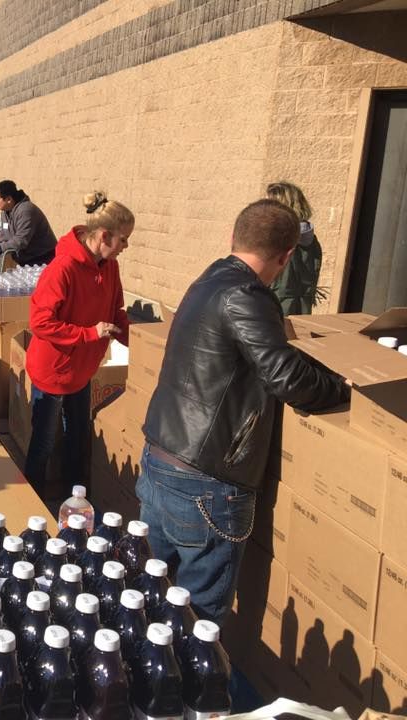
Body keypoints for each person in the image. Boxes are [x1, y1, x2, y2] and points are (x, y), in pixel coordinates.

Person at [139, 199, 349, 626]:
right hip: (205, 479)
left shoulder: (207, 281)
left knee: (146, 600)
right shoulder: (247, 294)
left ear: (232, 239)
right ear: (286, 257)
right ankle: (186, 693)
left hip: (163, 457)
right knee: (196, 624)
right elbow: (287, 378)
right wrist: (344, 391)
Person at [24, 192, 132, 499]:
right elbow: (40, 322)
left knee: (78, 440)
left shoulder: (109, 267)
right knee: (44, 444)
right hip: (54, 371)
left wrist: (140, 344)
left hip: (82, 370)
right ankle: (32, 500)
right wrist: (89, 333)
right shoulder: (63, 268)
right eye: (123, 240)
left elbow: (116, 312)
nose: (126, 246)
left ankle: (75, 502)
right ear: (104, 236)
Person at [266, 181, 322, 315]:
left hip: (275, 311)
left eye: (268, 204)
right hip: (300, 310)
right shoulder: (311, 239)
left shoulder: (281, 238)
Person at [0, 179, 57, 267]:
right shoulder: (5, 212)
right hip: (26, 261)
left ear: (8, 199)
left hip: (43, 260)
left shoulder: (26, 211)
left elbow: (21, 240)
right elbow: (4, 235)